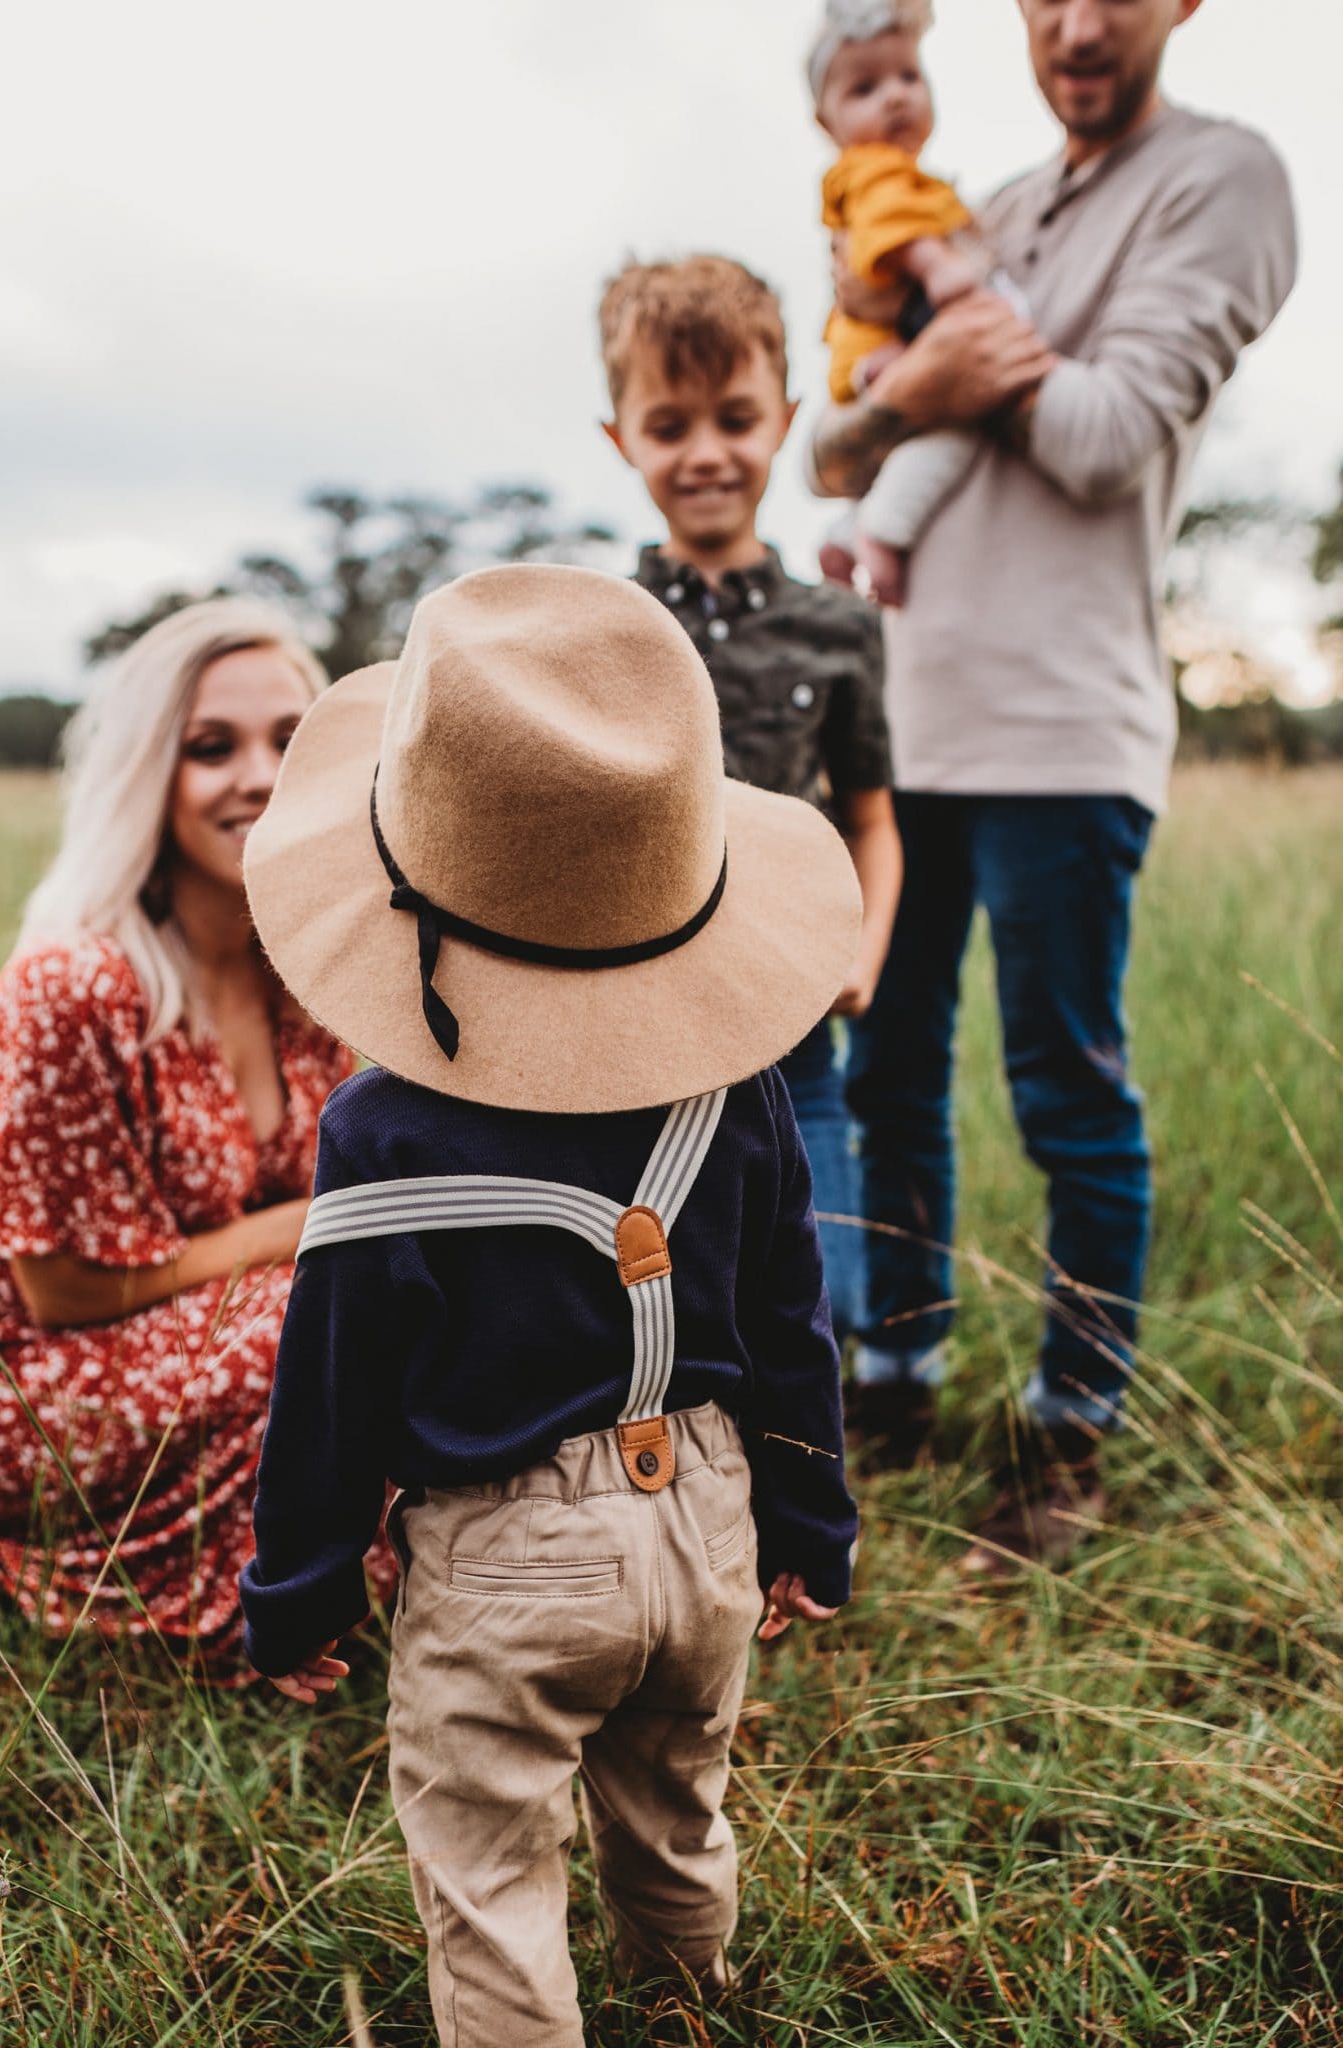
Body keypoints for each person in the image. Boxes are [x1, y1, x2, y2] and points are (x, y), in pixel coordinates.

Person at [237, 564, 862, 2043]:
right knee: (675, 1810)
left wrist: (298, 1592)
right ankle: (691, 1996)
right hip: (707, 1526)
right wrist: (810, 1522)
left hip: (505, 1560)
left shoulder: (380, 1133)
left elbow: (329, 1393)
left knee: (491, 1870)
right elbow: (793, 1330)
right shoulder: (747, 1090)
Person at [808, 0, 1298, 1554]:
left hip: (1059, 730)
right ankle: (896, 1371)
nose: (1077, 23)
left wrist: (932, 379)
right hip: (900, 723)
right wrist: (917, 386)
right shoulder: (988, 205)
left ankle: (1066, 1432)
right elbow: (831, 447)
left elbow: (1092, 436)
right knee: (884, 1074)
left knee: (1062, 1088)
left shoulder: (1223, 179)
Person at [0, 598, 380, 1670]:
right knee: (350, 1306)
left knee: (394, 1290)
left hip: (191, 1319)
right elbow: (60, 1290)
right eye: (211, 747)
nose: (259, 773)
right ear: (149, 775)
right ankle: (239, 1591)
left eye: (292, 741)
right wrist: (319, 1222)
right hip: (18, 1371)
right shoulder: (78, 981)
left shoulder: (312, 964)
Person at [598, 252, 901, 1346]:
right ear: (620, 439)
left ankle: (817, 1455)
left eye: (735, 418)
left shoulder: (841, 625)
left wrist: (859, 953)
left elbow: (869, 815)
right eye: (669, 426)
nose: (707, 453)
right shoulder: (603, 622)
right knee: (655, 1258)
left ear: (784, 418)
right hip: (633, 1013)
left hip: (793, 1017)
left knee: (810, 1257)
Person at [807, 0, 1011, 607]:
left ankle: (849, 529)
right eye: (865, 88)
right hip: (884, 352)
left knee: (918, 441)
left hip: (885, 349)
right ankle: (885, 534)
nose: (895, 97)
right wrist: (940, 266)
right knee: (954, 434)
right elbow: (894, 232)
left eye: (909, 77)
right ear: (826, 119)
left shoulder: (908, 174)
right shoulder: (874, 172)